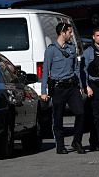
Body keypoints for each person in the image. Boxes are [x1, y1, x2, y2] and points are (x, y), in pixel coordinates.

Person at [40, 23, 85, 154]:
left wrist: (80, 86)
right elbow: (45, 72)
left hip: (72, 87)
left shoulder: (71, 49)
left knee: (80, 113)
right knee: (58, 117)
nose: (71, 35)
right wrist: (44, 92)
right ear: (62, 33)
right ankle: (60, 145)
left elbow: (76, 69)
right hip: (58, 88)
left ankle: (77, 141)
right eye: (69, 32)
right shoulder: (51, 50)